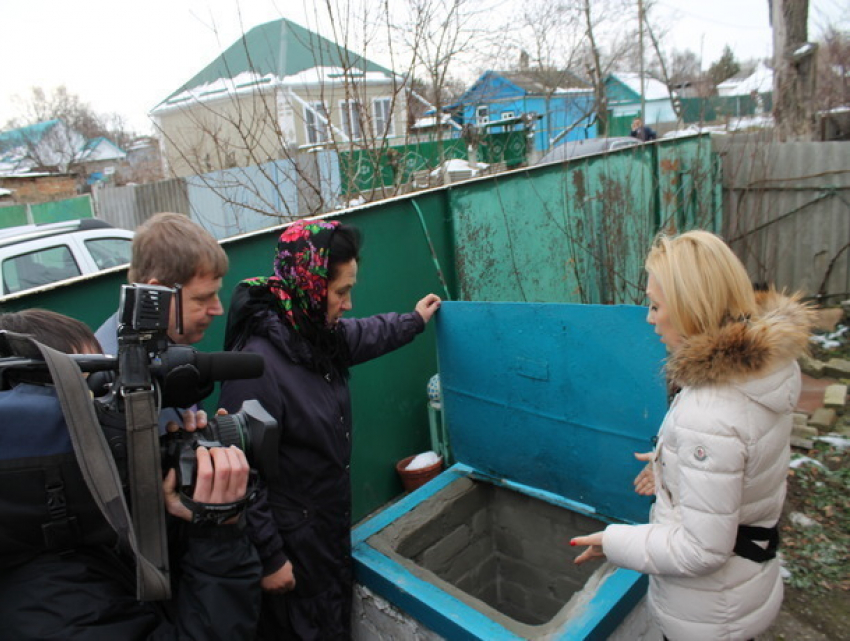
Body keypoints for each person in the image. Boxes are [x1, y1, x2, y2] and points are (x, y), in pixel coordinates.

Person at [571, 230, 814, 641]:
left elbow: (701, 551)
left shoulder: (711, 410)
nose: (649, 317)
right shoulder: (764, 368)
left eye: (655, 305)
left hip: (707, 615)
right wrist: (676, 462)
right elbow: (748, 455)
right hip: (743, 586)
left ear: (689, 308)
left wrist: (615, 543)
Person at [219, 218, 442, 640]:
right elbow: (241, 470)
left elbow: (363, 334)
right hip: (293, 552)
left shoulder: (312, 333)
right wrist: (270, 558)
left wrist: (413, 320)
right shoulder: (256, 366)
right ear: (308, 283)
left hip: (323, 534)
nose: (349, 303)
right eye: (341, 291)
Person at [0, 308, 262, 639]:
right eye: (94, 398)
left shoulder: (72, 528)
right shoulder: (46, 607)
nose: (114, 417)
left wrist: (187, 508)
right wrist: (219, 540)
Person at [96, 211, 228, 353]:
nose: (218, 309)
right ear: (156, 293)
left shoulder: (147, 348)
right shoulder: (117, 368)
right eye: (202, 298)